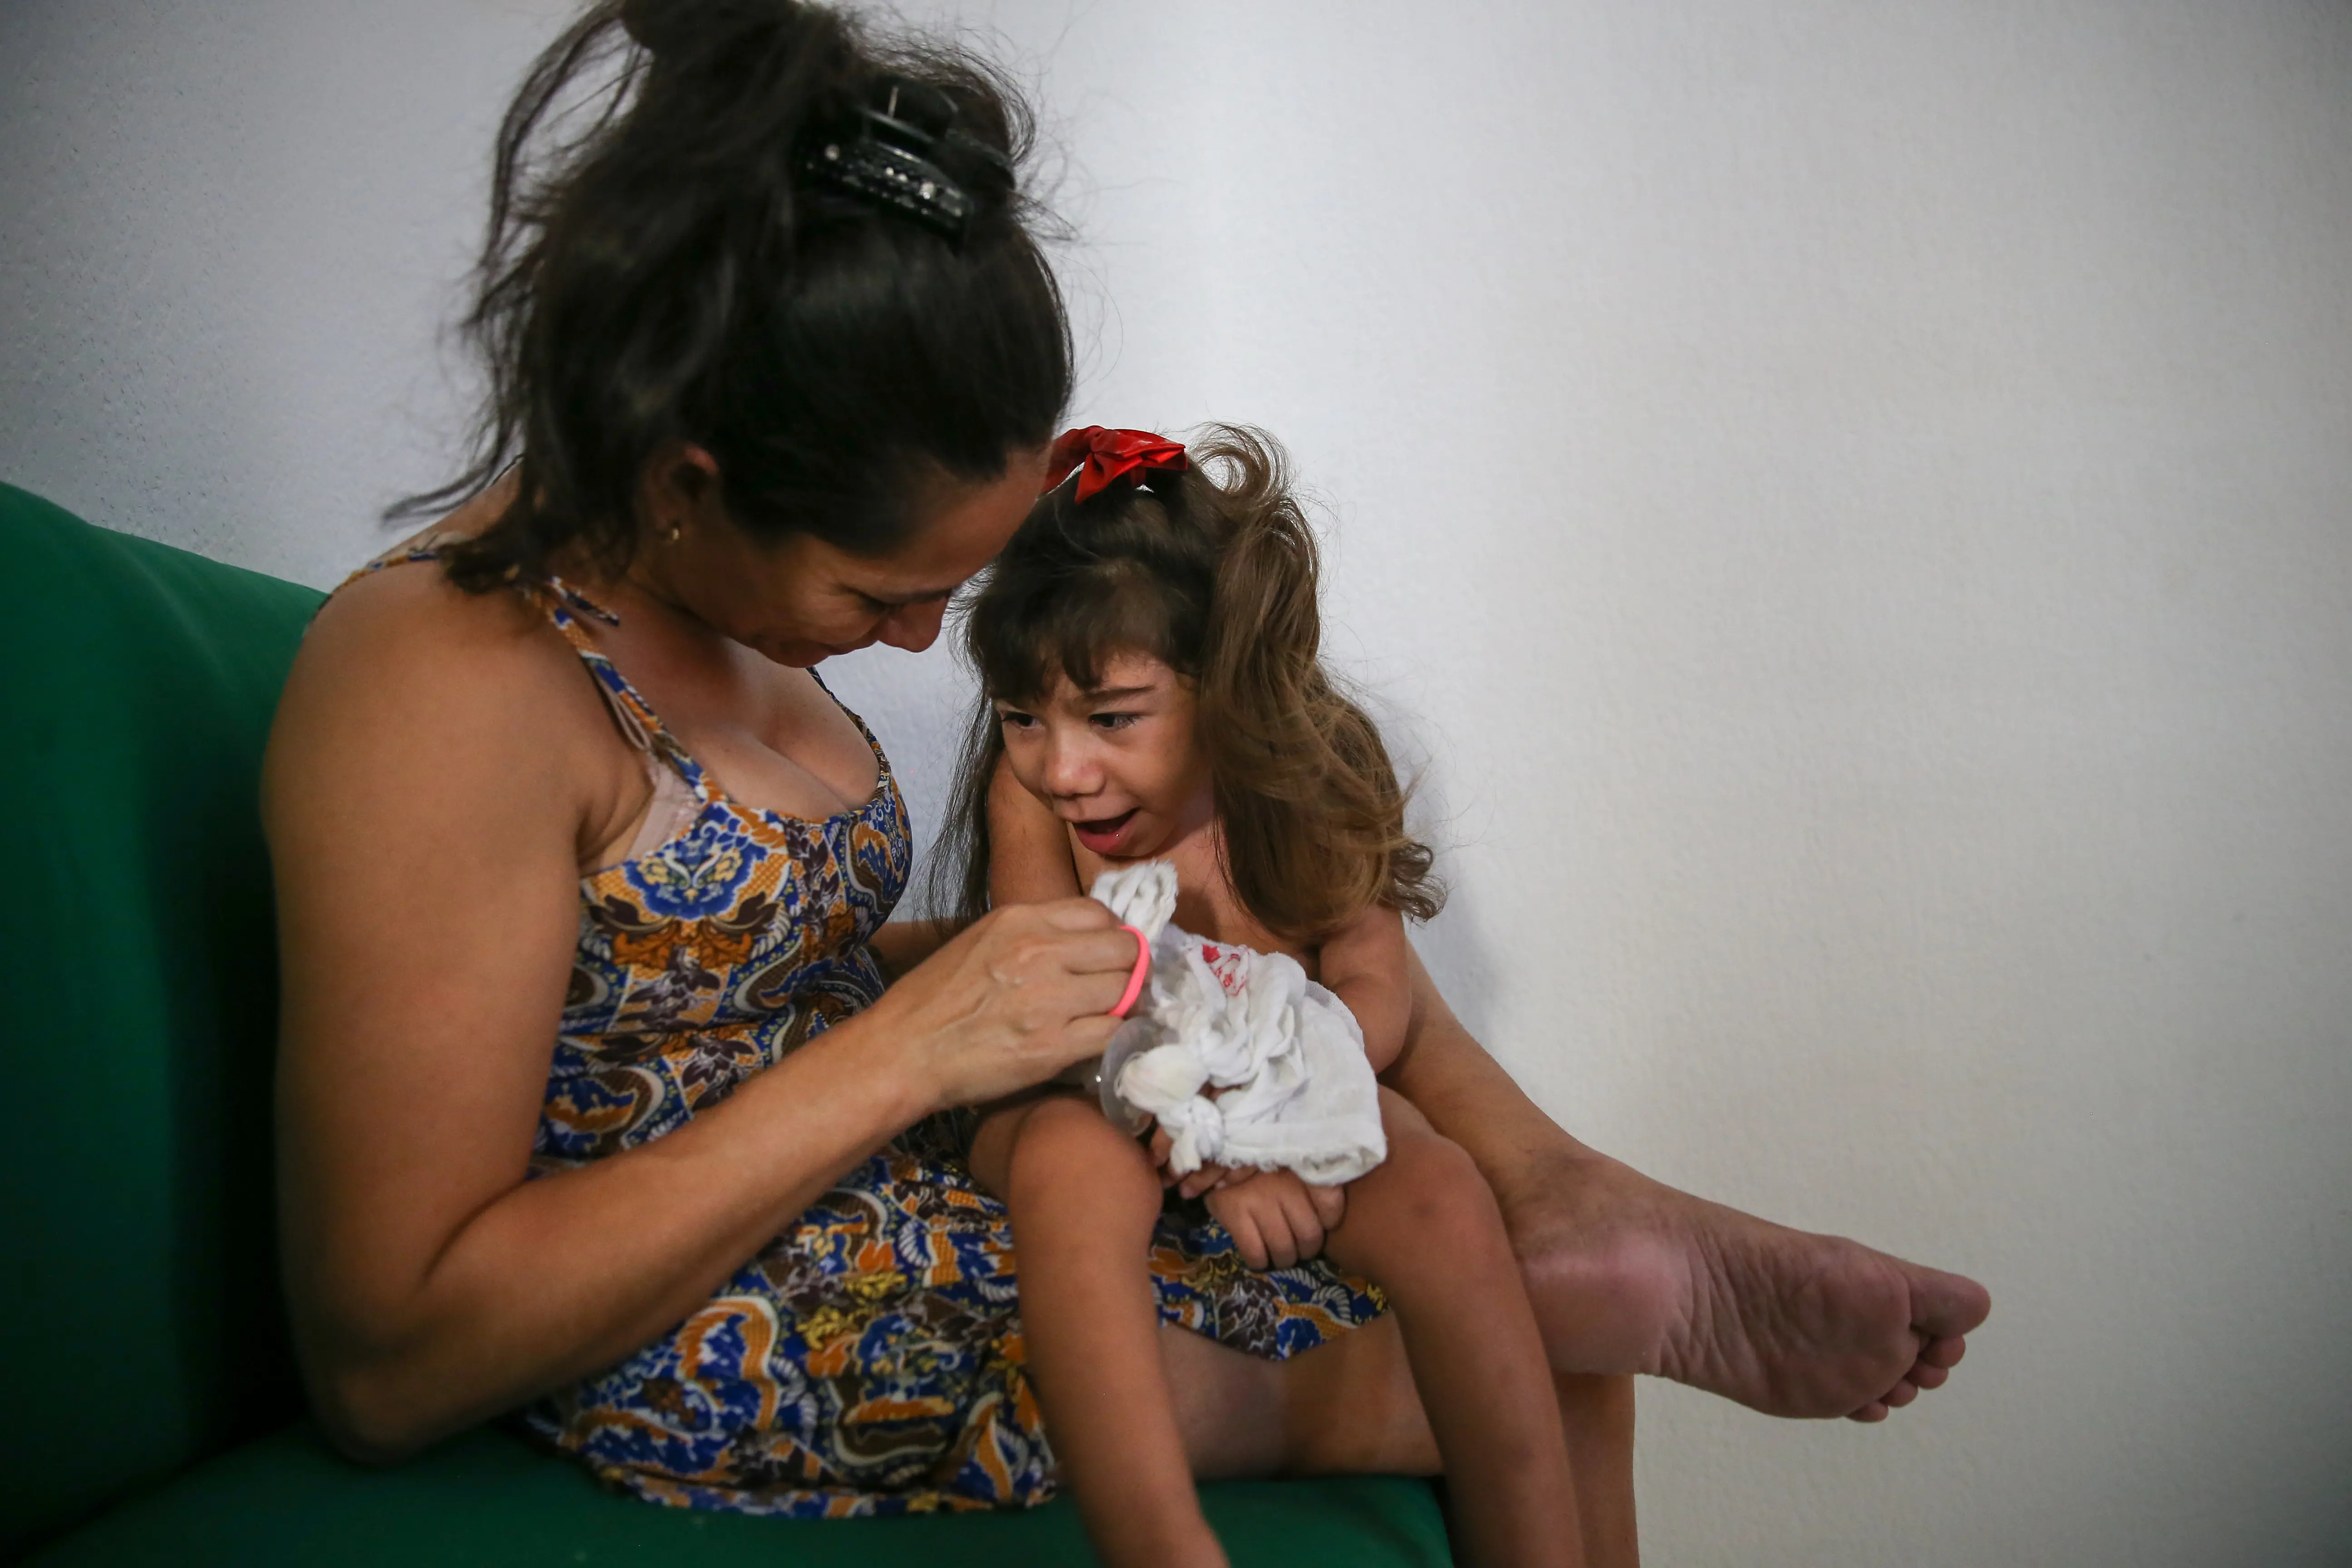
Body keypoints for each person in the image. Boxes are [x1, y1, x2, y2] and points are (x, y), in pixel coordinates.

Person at [263, 0, 1984, 1559]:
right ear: (685, 478)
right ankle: (1558, 1214)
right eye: (880, 594)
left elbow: (710, 976)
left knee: (1346, 1046)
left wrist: (1078, 977)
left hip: (885, 1179)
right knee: (1546, 1346)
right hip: (735, 1311)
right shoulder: (447, 675)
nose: (924, 642)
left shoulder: (714, 598)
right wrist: (920, 1042)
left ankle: (1548, 1181)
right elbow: (389, 1356)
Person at [948, 423, 1588, 1566]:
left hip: (1293, 1070)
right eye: (1024, 717)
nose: (1064, 768)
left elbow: (1373, 994)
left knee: (1440, 1189)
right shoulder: (1031, 798)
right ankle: (1158, 1538)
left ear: (1230, 686)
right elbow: (1052, 1005)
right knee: (1068, 1164)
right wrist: (1198, 1136)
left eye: (1113, 716)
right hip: (1098, 1078)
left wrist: (1278, 1132)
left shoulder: (1314, 776)